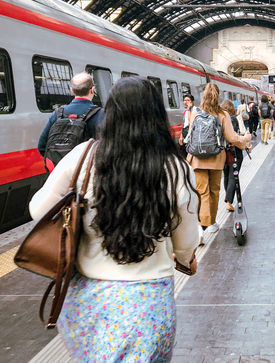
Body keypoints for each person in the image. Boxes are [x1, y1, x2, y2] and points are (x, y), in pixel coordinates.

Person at [29, 76, 200, 362]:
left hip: (87, 301)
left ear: (110, 113)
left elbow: (38, 210)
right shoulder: (175, 168)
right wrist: (185, 258)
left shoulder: (83, 156)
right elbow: (186, 242)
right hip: (149, 305)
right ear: (157, 115)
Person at [188, 84, 251, 243]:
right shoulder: (222, 114)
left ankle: (201, 228)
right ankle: (208, 224)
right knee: (214, 190)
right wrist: (246, 139)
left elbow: (191, 134)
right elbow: (232, 138)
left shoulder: (195, 112)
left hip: (197, 158)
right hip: (216, 159)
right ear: (218, 96)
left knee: (202, 192)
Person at [37, 72, 104, 159]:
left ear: (71, 90)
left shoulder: (57, 114)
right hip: (88, 171)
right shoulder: (101, 114)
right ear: (92, 90)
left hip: (62, 170)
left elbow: (42, 146)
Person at [221, 101, 245, 212]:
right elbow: (242, 132)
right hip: (235, 150)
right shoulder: (236, 118)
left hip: (223, 151)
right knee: (233, 175)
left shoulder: (220, 119)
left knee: (226, 175)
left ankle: (227, 196)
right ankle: (229, 201)